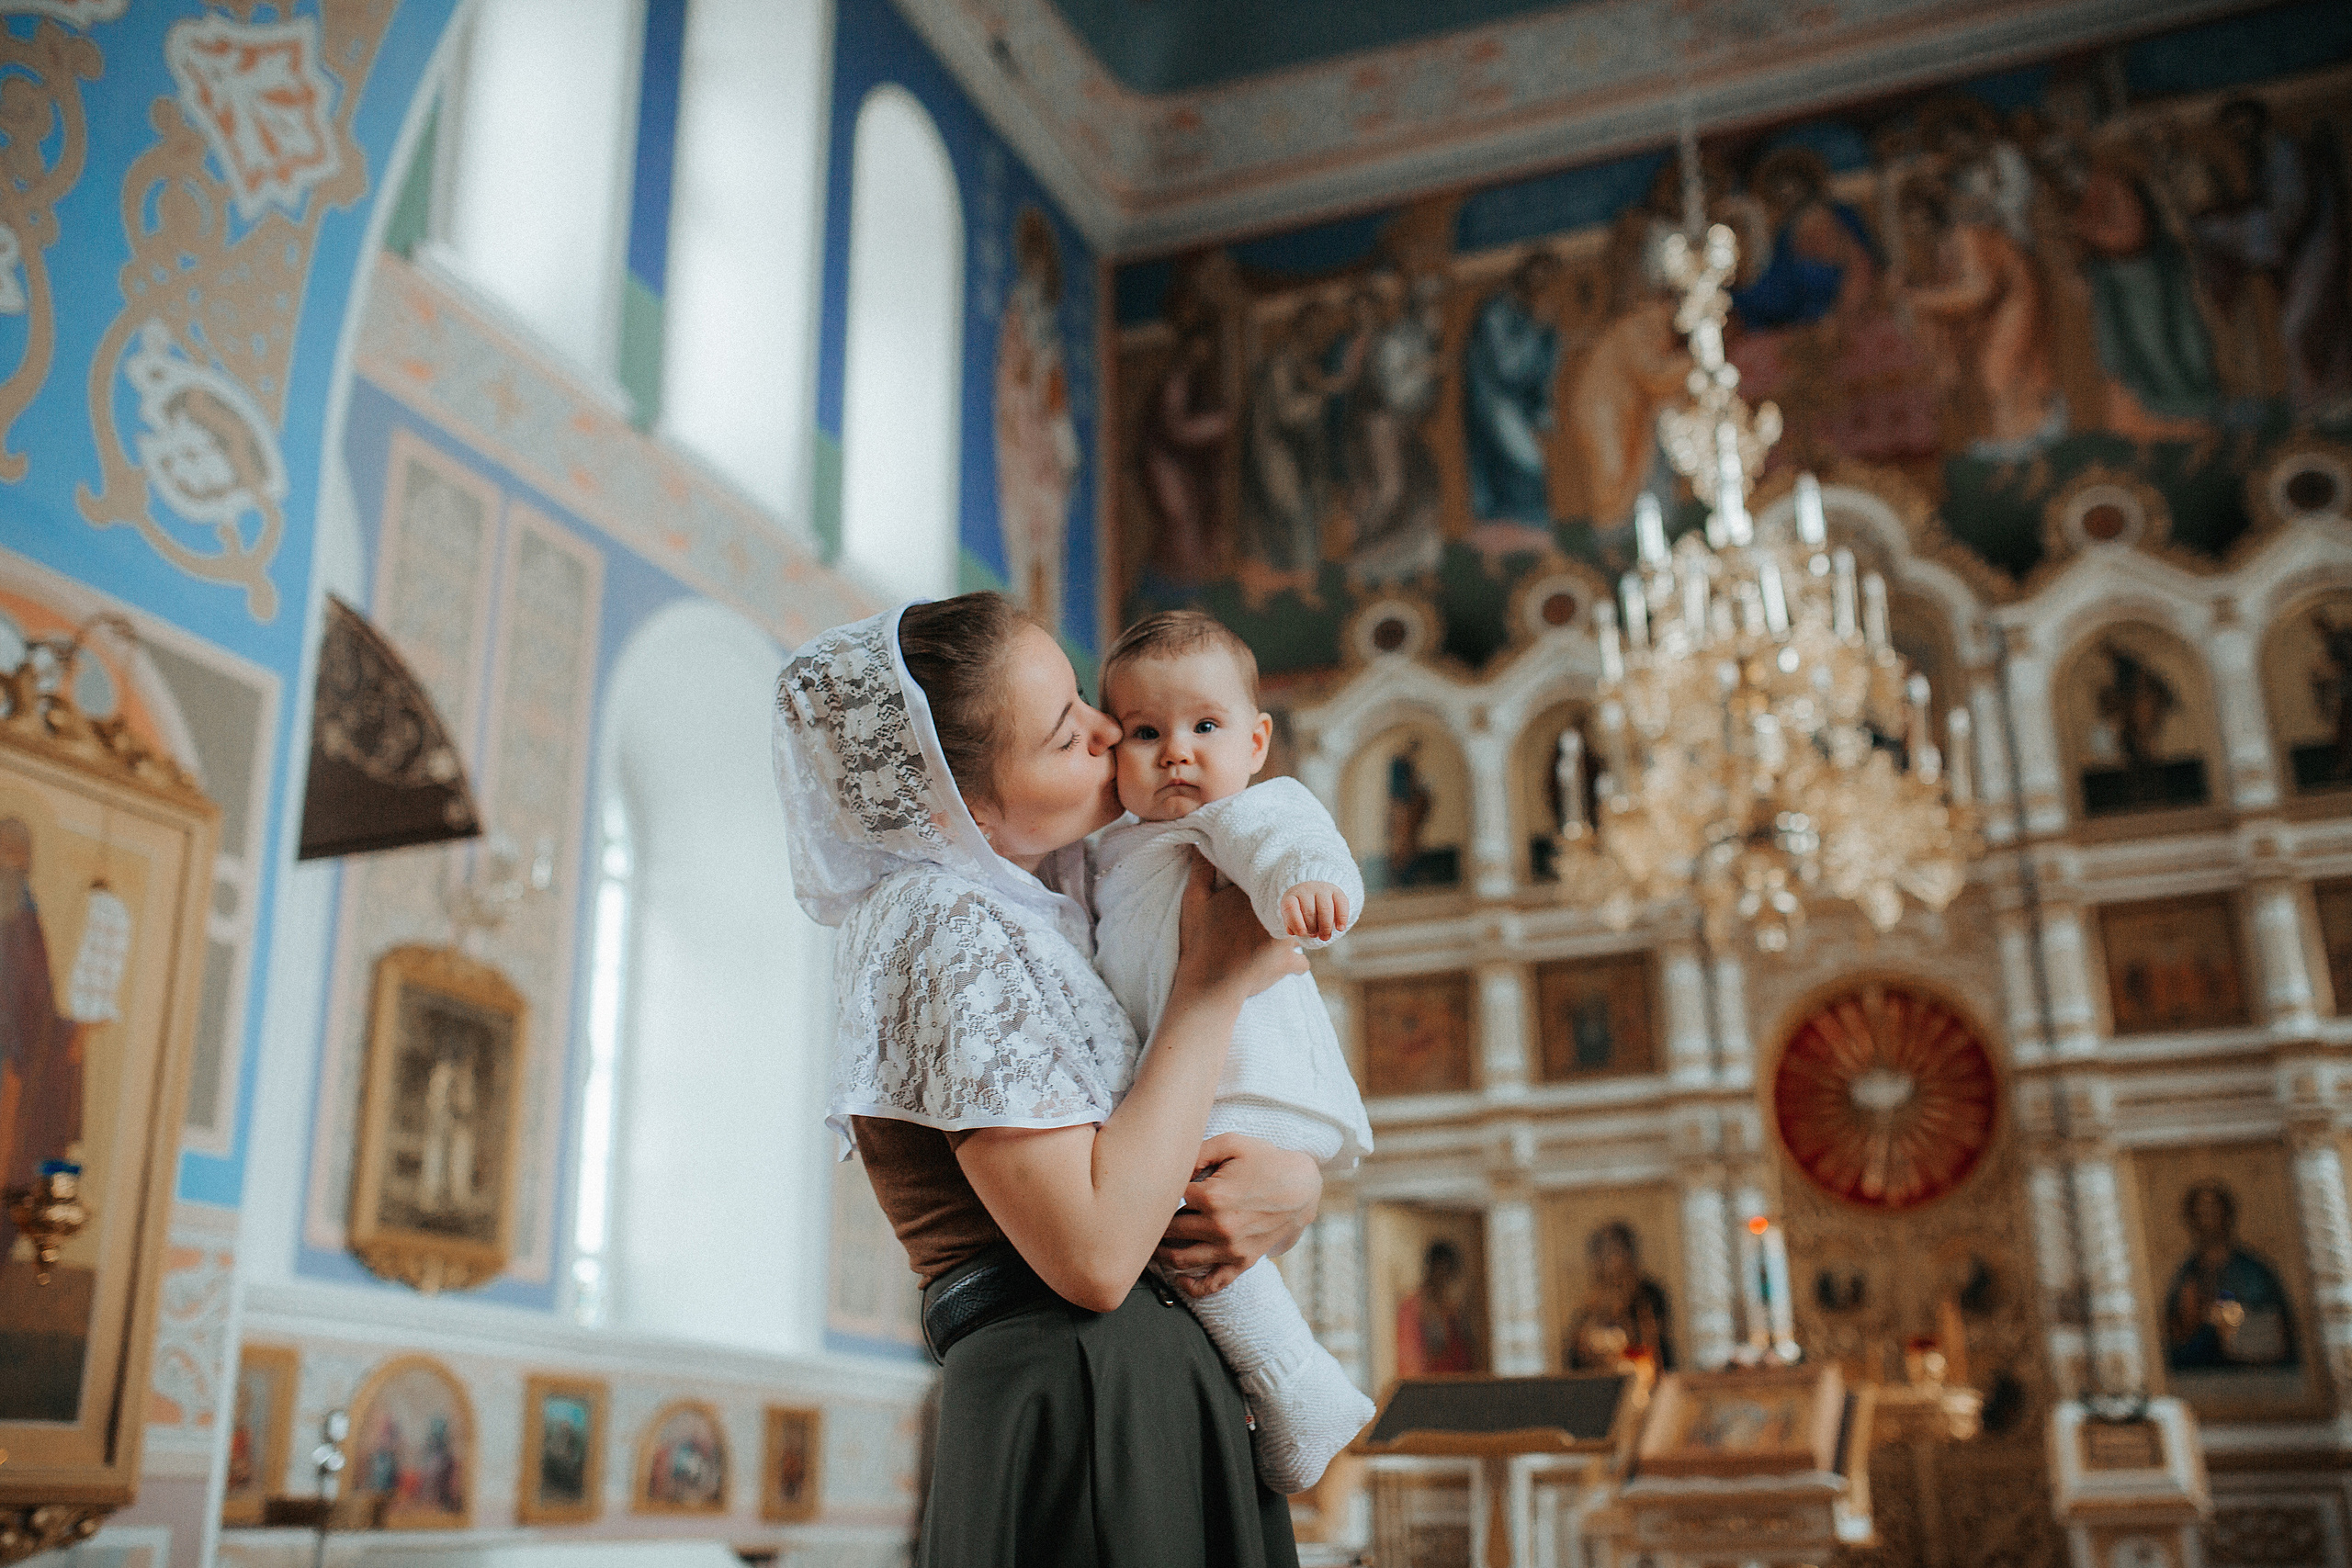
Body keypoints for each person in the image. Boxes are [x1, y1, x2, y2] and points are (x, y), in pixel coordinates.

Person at [773, 592, 1319, 1566]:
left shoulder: (1050, 905)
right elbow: (1099, 1255)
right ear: (962, 804)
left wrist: (1289, 1184)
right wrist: (1209, 986)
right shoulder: (938, 923)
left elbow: (1160, 1136)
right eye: (1070, 733)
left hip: (1135, 1387)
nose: (1113, 732)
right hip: (1079, 1398)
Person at [1091, 609, 1377, 1493]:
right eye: (1145, 732)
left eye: (1204, 726)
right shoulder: (1109, 848)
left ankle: (1297, 1386)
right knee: (1184, 1229)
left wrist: (1308, 885)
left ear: (1256, 741)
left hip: (1248, 1073)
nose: (1176, 751)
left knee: (1180, 1224)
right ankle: (1292, 1385)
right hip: (1191, 1074)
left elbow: (1296, 841)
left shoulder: (1240, 816)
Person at [2165, 1179, 2297, 1371]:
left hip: (2253, 1369)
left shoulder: (2252, 1270)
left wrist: (2223, 1317)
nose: (2206, 1218)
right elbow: (2175, 1334)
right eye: (2200, 1213)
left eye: (2212, 1210)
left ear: (2226, 1215)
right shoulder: (2188, 1272)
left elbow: (2274, 1325)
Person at [1396, 1239, 1476, 1375]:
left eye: (1448, 1272)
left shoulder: (1453, 1309)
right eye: (1440, 1269)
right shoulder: (1412, 1306)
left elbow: (1464, 1356)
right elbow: (1409, 1359)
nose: (1443, 1278)